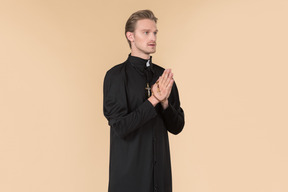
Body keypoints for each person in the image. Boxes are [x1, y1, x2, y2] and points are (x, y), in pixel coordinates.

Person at [103, 9, 185, 192]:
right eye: (146, 32)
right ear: (130, 36)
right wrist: (154, 100)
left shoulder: (163, 76)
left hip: (160, 179)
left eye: (155, 32)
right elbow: (121, 127)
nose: (153, 37)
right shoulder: (116, 76)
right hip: (129, 179)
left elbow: (177, 126)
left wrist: (164, 103)